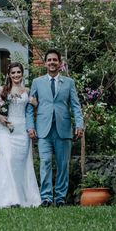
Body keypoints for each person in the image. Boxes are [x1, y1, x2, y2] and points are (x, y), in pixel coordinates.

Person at [0, 62, 41, 208]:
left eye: (18, 72)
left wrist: (35, 104)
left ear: (22, 74)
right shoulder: (2, 90)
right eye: (13, 73)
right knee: (8, 158)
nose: (16, 75)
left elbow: (32, 111)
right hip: (6, 129)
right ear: (9, 75)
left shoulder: (28, 91)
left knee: (21, 163)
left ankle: (22, 197)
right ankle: (10, 198)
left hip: (22, 130)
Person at [26, 49, 84, 207]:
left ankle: (59, 198)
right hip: (43, 130)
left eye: (55, 60)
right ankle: (45, 198)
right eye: (49, 60)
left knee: (63, 165)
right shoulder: (37, 82)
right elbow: (30, 107)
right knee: (44, 163)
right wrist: (30, 126)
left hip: (63, 130)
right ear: (45, 63)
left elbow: (75, 106)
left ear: (60, 63)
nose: (52, 62)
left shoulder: (69, 82)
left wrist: (79, 124)